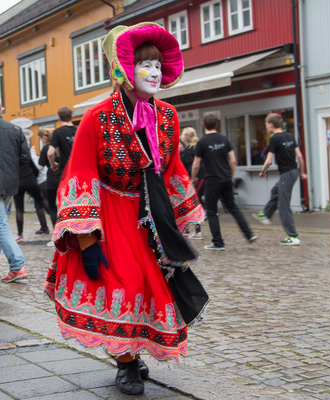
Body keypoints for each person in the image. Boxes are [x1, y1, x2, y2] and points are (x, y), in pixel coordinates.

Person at [43, 23, 208, 396]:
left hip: (152, 217)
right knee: (126, 285)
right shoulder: (96, 117)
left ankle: (131, 353)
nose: (153, 73)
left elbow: (171, 170)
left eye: (157, 66)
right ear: (123, 69)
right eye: (144, 65)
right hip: (108, 213)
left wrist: (182, 219)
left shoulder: (167, 116)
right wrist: (87, 242)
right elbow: (80, 173)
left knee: (151, 290)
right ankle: (126, 363)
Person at [192, 112, 257, 250]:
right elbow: (233, 160)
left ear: (203, 124)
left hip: (212, 181)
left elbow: (196, 164)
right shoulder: (224, 139)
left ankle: (218, 242)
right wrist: (231, 175)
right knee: (233, 207)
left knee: (211, 211)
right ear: (217, 124)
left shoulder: (202, 142)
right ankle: (249, 234)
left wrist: (193, 178)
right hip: (226, 179)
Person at [254, 113, 307, 246]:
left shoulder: (274, 139)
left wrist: (263, 171)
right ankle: (266, 214)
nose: (266, 127)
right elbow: (299, 156)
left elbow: (269, 160)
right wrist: (303, 172)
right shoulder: (289, 136)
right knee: (275, 191)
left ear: (271, 124)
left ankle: (293, 236)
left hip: (286, 173)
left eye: (266, 125)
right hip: (293, 171)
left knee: (283, 206)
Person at [0, 99, 30, 283]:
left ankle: (17, 265)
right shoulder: (15, 129)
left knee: (1, 225)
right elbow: (25, 157)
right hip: (10, 183)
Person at [14, 159, 51, 242]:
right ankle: (57, 222)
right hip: (30, 181)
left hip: (18, 183)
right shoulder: (26, 156)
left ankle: (20, 234)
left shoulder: (12, 157)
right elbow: (36, 169)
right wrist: (33, 178)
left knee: (19, 208)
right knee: (42, 201)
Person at [38, 128, 62, 246]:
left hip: (51, 181)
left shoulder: (47, 148)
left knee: (53, 208)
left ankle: (56, 236)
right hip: (63, 179)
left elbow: (40, 166)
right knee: (63, 207)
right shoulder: (61, 147)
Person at [181, 127, 205, 239]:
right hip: (200, 178)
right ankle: (193, 229)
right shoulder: (193, 148)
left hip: (196, 179)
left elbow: (191, 167)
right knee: (194, 203)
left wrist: (190, 179)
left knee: (194, 203)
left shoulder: (189, 151)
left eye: (182, 134)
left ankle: (197, 229)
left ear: (185, 137)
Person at [47, 107, 77, 175]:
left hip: (66, 170)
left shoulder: (57, 132)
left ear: (59, 118)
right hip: (80, 168)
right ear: (72, 117)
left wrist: (53, 164)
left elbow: (50, 153)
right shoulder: (79, 130)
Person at [30, 141, 51, 235]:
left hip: (41, 183)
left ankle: (44, 227)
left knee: (39, 206)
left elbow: (38, 167)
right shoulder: (38, 158)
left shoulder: (35, 159)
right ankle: (57, 221)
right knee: (46, 203)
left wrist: (32, 152)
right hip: (46, 181)